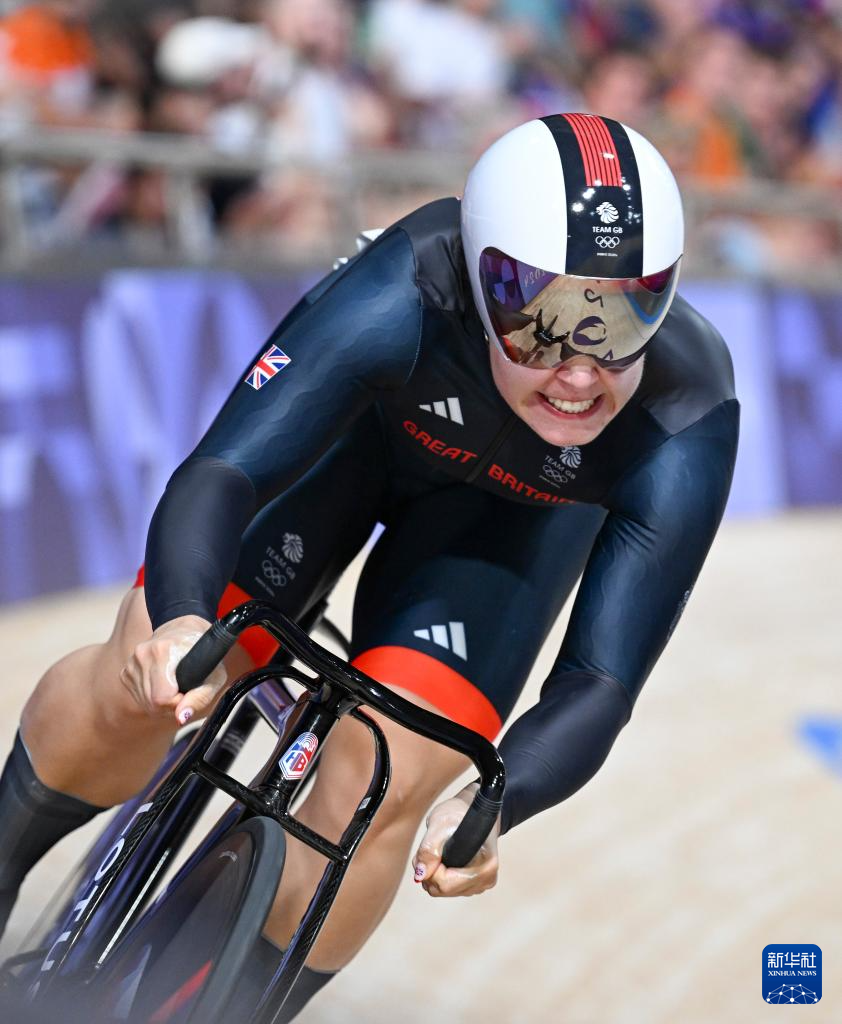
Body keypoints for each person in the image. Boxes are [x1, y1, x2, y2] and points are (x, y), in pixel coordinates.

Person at [0, 112, 738, 1020]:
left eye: (623, 319)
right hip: (345, 447)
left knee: (376, 789)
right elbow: (224, 473)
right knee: (148, 682)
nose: (580, 373)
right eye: (544, 324)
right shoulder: (406, 286)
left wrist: (497, 802)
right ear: (481, 279)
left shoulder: (687, 403)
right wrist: (182, 620)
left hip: (508, 528)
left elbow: (600, 681)